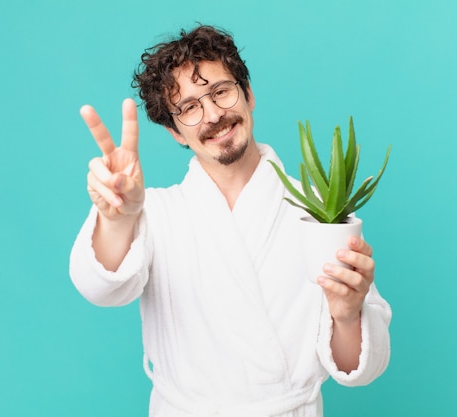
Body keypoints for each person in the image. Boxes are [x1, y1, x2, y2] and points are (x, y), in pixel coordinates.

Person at [70, 24, 391, 417]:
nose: (214, 115)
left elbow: (360, 369)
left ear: (248, 94)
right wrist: (117, 219)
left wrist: (347, 314)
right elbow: (99, 289)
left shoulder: (322, 212)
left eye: (221, 91)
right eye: (189, 107)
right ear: (174, 132)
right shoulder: (155, 214)